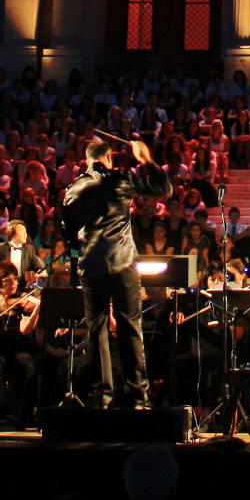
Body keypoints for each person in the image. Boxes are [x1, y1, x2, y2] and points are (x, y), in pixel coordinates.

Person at [60, 132, 172, 410]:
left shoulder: (73, 189)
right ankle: (137, 396)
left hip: (91, 266)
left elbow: (68, 231)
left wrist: (84, 247)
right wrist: (146, 159)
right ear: (109, 157)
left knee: (96, 328)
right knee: (130, 326)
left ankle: (102, 397)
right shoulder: (120, 179)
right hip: (122, 263)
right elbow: (163, 189)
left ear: (87, 161)